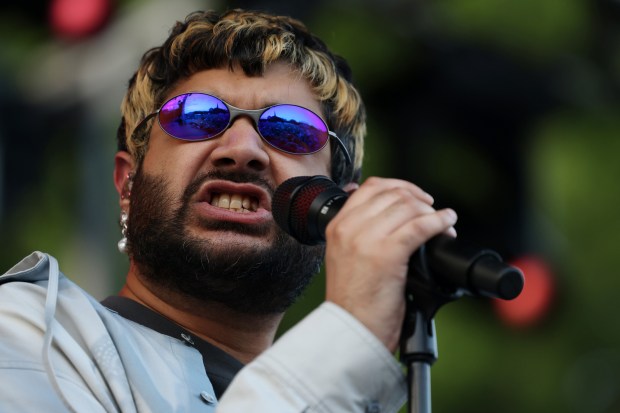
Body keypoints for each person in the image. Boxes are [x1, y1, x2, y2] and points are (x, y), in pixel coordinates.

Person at [0, 8, 457, 412]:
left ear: (338, 214)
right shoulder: (25, 330)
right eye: (197, 115)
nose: (242, 149)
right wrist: (349, 333)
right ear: (127, 184)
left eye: (291, 128)